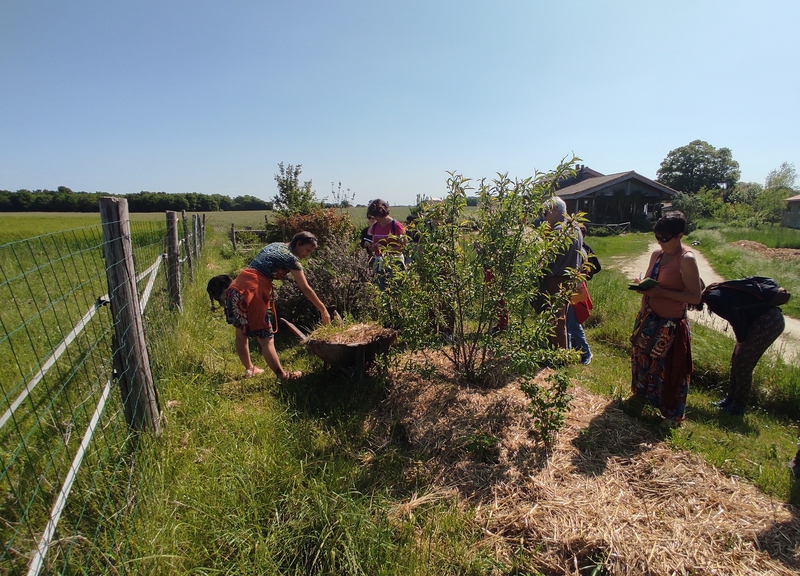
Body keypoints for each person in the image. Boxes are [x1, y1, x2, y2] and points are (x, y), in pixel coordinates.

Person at [629, 211, 703, 427]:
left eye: (665, 239)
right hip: (648, 319)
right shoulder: (657, 255)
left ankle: (671, 415)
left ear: (680, 236)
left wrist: (660, 292)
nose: (661, 242)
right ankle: (642, 398)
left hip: (669, 325)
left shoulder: (686, 260)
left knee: (668, 371)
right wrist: (642, 284)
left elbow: (695, 297)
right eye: (657, 238)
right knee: (644, 363)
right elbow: (650, 280)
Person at [225, 231, 331, 380]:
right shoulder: (291, 259)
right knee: (266, 339)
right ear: (298, 244)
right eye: (307, 250)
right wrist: (323, 309)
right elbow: (305, 288)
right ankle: (283, 376)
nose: (308, 255)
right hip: (252, 291)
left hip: (237, 287)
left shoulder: (276, 245)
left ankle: (250, 369)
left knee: (241, 333)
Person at [701, 279, 786, 416]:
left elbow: (735, 319)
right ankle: (729, 400)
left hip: (768, 322)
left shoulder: (712, 299)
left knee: (743, 363)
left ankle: (738, 407)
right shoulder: (716, 291)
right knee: (737, 359)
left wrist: (741, 340)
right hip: (767, 320)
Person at [541, 196, 584, 349]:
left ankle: (558, 355)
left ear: (554, 210)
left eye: (545, 213)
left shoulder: (560, 231)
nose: (544, 217)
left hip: (556, 280)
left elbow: (546, 258)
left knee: (556, 319)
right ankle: (560, 351)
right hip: (569, 279)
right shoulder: (576, 228)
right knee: (561, 318)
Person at [366, 199, 406, 290]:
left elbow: (404, 247)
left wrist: (385, 249)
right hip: (380, 262)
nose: (375, 218)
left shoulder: (396, 226)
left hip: (394, 263)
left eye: (376, 216)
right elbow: (374, 243)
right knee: (382, 290)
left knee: (396, 290)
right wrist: (373, 247)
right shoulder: (375, 226)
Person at [568, 281, 593, 364]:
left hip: (570, 302)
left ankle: (586, 353)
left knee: (573, 328)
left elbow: (582, 295)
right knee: (567, 329)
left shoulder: (576, 276)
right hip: (563, 302)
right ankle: (567, 354)